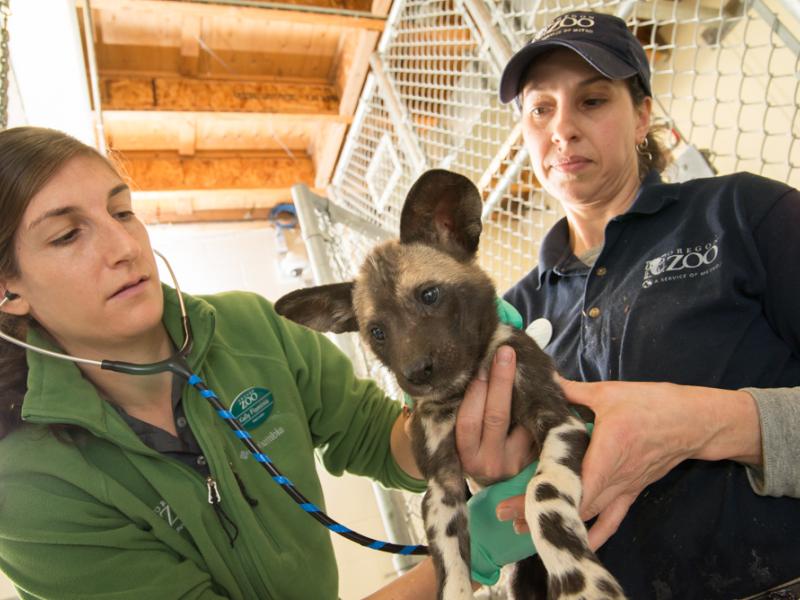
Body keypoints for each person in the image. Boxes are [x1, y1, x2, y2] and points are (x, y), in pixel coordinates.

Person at [0, 126, 529, 599]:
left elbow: (373, 436)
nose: (123, 246)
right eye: (68, 234)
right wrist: (460, 557)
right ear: (9, 290)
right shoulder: (26, 489)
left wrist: (461, 407)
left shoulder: (248, 329)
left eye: (121, 211)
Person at [484, 9, 800, 599]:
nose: (563, 129)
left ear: (642, 116)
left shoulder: (742, 214)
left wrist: (711, 425)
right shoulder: (511, 316)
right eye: (539, 108)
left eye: (593, 100)